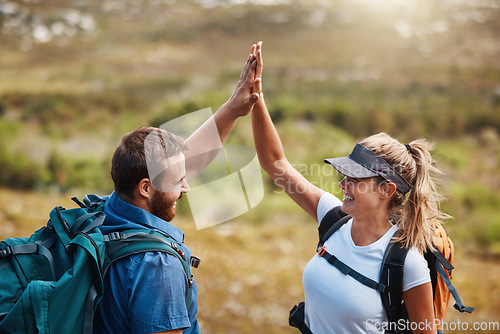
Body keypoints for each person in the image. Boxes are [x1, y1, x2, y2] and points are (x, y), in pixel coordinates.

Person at [251, 44, 448, 334]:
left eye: (356, 179)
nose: (343, 184)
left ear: (386, 189)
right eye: (345, 175)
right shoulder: (334, 218)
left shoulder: (408, 264)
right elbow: (275, 163)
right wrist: (256, 97)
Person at [93, 42, 263, 334]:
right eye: (177, 180)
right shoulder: (156, 265)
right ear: (146, 187)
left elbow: (182, 165)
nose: (186, 187)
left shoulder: (104, 214)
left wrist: (232, 109)